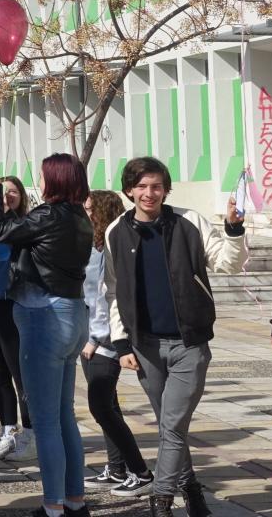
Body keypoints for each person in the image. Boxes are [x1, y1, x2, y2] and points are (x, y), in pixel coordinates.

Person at [108, 156, 246, 517]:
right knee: (173, 428)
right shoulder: (115, 232)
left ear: (166, 189)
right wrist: (121, 343)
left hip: (189, 343)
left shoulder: (189, 221)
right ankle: (194, 492)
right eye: (141, 186)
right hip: (145, 346)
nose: (148, 193)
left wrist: (233, 229)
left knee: (171, 424)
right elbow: (113, 291)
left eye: (156, 186)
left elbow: (227, 263)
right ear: (129, 190)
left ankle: (161, 500)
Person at [0, 155, 93, 517]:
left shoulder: (49, 216)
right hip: (71, 315)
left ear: (54, 180)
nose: (37, 182)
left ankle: (53, 506)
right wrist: (7, 208)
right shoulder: (77, 217)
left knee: (44, 422)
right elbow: (23, 234)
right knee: (63, 416)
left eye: (41, 176)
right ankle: (75, 500)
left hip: (45, 320)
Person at [82, 190, 152, 497]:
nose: (85, 214)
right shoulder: (92, 246)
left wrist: (96, 340)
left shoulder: (108, 249)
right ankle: (117, 468)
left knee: (101, 406)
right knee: (108, 406)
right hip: (91, 339)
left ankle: (141, 471)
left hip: (106, 341)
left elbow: (107, 298)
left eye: (89, 209)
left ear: (102, 212)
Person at [0, 175, 35, 463]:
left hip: (15, 307)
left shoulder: (23, 228)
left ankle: (30, 433)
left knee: (20, 374)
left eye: (12, 191)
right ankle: (7, 431)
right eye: (1, 191)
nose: (6, 196)